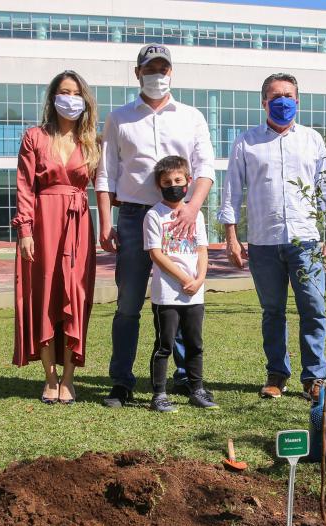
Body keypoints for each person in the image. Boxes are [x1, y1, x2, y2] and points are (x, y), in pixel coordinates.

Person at [95, 44, 216, 408]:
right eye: (150, 69)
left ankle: (185, 380)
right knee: (128, 304)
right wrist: (105, 222)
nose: (157, 76)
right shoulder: (119, 118)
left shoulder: (192, 116)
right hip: (133, 218)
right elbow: (105, 174)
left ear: (171, 74)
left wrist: (193, 207)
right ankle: (121, 382)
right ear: (137, 74)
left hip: (180, 217)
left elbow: (205, 167)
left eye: (163, 69)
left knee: (181, 299)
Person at [217, 73, 326, 403]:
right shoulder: (247, 142)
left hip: (306, 241)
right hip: (263, 241)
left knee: (313, 308)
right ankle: (276, 375)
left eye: (288, 95)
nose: (282, 100)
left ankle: (314, 377)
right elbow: (232, 191)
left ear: (297, 100)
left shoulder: (313, 141)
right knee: (273, 312)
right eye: (275, 95)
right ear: (264, 102)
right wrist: (231, 236)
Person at [12, 70, 100, 405]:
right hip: (43, 221)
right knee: (44, 294)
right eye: (64, 92)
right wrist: (24, 230)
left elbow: (103, 187)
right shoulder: (34, 137)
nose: (70, 98)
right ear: (53, 97)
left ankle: (68, 379)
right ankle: (49, 378)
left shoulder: (90, 141)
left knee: (74, 295)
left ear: (84, 100)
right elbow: (24, 185)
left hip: (78, 224)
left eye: (77, 93)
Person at [144, 155, 218, 412]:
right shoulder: (154, 215)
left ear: (188, 181)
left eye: (178, 180)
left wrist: (199, 279)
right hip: (167, 295)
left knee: (195, 343)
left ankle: (197, 389)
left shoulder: (195, 215)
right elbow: (156, 254)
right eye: (167, 181)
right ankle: (159, 395)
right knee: (164, 344)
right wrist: (185, 279)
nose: (173, 184)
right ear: (159, 184)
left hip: (194, 295)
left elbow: (202, 250)